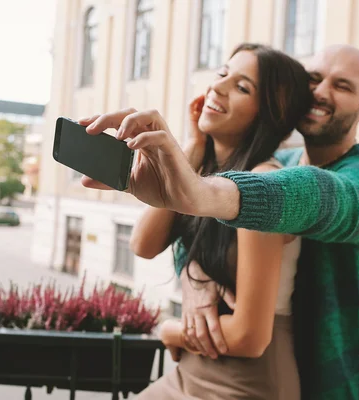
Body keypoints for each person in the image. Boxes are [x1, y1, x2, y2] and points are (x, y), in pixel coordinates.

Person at [78, 44, 359, 399]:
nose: (320, 92)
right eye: (313, 79)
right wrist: (198, 277)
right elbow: (173, 242)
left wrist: (203, 194)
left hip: (328, 385)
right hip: (225, 367)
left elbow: (325, 197)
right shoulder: (280, 159)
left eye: (342, 86)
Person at [120, 43, 311, 399]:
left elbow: (250, 338)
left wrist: (169, 331)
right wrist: (194, 146)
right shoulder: (210, 173)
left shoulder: (263, 186)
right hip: (192, 369)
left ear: (269, 113)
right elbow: (143, 245)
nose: (218, 87)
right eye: (223, 73)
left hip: (246, 382)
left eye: (242, 87)